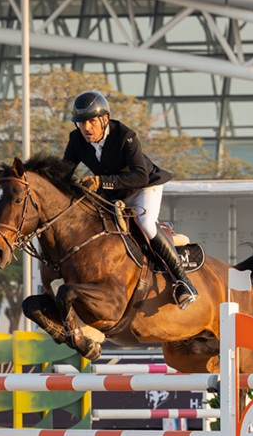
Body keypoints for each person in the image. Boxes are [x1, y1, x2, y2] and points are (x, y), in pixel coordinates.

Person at [62, 91, 197, 309]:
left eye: (92, 121)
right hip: (115, 194)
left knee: (145, 223)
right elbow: (63, 173)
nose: (86, 128)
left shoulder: (125, 136)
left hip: (144, 187)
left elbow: (139, 176)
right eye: (81, 122)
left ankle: (183, 282)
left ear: (105, 119)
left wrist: (100, 181)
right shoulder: (76, 139)